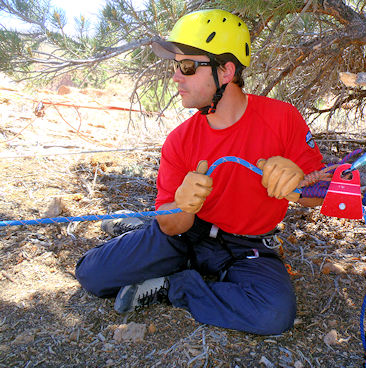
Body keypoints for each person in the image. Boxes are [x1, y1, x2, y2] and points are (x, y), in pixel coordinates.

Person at [75, 9, 326, 335]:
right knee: (92, 275)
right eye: (176, 66)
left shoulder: (282, 119)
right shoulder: (180, 141)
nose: (176, 77)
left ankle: (174, 287)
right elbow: (171, 223)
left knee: (273, 315)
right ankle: (138, 231)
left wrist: (299, 183)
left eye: (188, 66)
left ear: (226, 71)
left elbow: (325, 192)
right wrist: (181, 205)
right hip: (185, 234)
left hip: (245, 247)